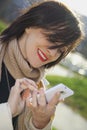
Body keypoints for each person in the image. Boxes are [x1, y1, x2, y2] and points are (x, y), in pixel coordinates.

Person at [0, 0, 83, 130]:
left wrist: (40, 123)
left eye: (61, 50)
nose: (53, 53)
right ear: (30, 25)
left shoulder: (39, 87)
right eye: (52, 39)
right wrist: (8, 111)